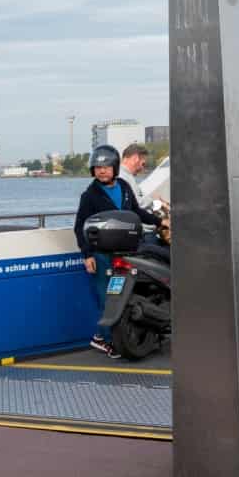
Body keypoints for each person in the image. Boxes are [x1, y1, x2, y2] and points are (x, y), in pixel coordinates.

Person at [73, 145, 148, 358]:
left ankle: (117, 338)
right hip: (102, 255)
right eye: (97, 167)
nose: (101, 171)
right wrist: (87, 255)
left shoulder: (124, 187)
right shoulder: (90, 195)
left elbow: (136, 212)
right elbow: (80, 227)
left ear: (114, 167)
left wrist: (161, 221)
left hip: (125, 252)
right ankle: (103, 339)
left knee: (125, 298)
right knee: (108, 298)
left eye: (106, 166)